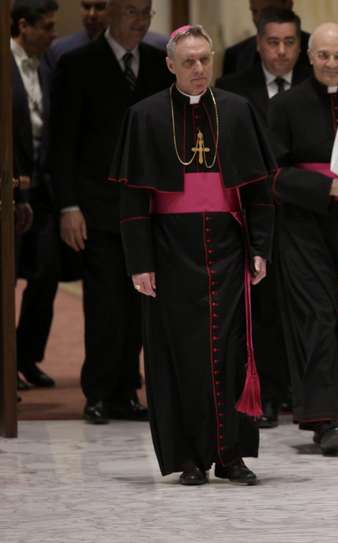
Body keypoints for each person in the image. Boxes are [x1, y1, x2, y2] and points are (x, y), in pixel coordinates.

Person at [110, 24, 275, 486]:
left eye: (205, 59)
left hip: (227, 250)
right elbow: (133, 200)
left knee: (232, 353)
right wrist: (139, 262)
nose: (199, 69)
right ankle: (187, 457)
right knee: (176, 355)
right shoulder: (144, 116)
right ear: (170, 65)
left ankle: (232, 455)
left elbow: (259, 191)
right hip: (168, 252)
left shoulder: (239, 112)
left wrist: (260, 247)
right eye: (189, 62)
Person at [48, 0, 173, 424]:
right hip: (97, 207)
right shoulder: (77, 64)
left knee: (141, 303)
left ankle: (125, 391)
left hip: (149, 207)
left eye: (146, 14)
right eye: (132, 13)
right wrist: (68, 205)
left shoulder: (160, 64)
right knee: (104, 306)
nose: (140, 22)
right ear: (110, 15)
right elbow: (61, 143)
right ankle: (98, 391)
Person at [268, 22, 338, 454]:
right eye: (322, 55)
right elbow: (270, 174)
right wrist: (324, 188)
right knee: (318, 317)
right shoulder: (285, 106)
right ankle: (325, 420)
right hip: (303, 229)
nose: (330, 63)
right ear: (310, 57)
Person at [217, 6, 310, 428]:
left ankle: (299, 391)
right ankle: (266, 393)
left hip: (304, 211)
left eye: (290, 42)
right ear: (258, 45)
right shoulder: (233, 89)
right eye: (273, 42)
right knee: (262, 305)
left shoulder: (313, 84)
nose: (281, 51)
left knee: (303, 305)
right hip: (254, 210)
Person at [10, 0, 59, 391]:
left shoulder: (47, 65)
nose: (52, 35)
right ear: (23, 26)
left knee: (45, 275)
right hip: (8, 190)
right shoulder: (3, 63)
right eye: (46, 27)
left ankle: (26, 357)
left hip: (43, 190)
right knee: (6, 278)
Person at [45, 0, 166, 69]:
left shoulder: (158, 47)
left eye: (99, 7)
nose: (92, 14)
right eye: (86, 7)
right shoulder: (60, 50)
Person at [222, 0, 310, 77]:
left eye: (267, 12)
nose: (259, 19)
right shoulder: (235, 55)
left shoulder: (315, 49)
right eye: (254, 12)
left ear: (288, 5)